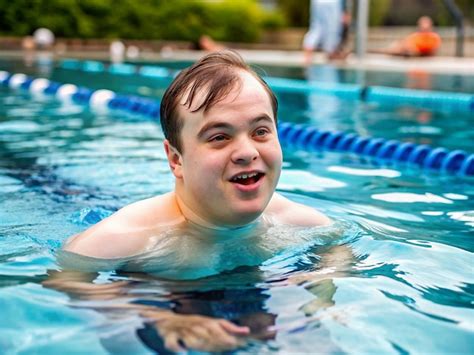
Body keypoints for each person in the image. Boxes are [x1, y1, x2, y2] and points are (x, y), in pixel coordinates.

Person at [48, 50, 349, 352]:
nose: (246, 151)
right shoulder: (133, 235)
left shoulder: (291, 219)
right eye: (219, 137)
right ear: (176, 159)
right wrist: (153, 316)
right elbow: (64, 279)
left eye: (260, 131)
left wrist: (318, 295)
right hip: (157, 295)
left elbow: (336, 245)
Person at [303, 0, 351, 65]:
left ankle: (308, 58)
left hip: (317, 2)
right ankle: (331, 55)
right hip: (332, 3)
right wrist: (345, 10)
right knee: (333, 29)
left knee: (316, 27)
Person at [372, 16, 442, 57]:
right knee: (395, 48)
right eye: (422, 25)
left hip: (414, 53)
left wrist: (416, 52)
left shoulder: (434, 38)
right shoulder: (415, 36)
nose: (424, 27)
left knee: (397, 49)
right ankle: (383, 50)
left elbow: (432, 52)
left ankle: (383, 51)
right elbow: (405, 43)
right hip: (405, 50)